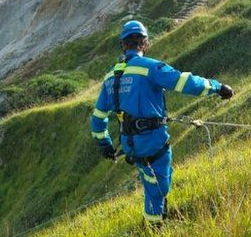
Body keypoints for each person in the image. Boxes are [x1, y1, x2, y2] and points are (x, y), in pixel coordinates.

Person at [90, 20, 234, 224]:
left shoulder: (110, 77)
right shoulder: (150, 67)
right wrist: (217, 87)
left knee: (152, 182)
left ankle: (156, 220)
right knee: (159, 187)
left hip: (129, 143)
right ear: (145, 43)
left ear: (123, 44)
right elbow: (185, 82)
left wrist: (104, 144)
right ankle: (155, 227)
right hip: (152, 141)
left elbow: (98, 117)